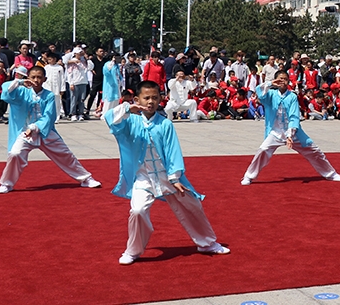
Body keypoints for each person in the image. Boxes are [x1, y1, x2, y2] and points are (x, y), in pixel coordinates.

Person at [104, 80, 230, 265]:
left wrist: (175, 178)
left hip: (168, 177)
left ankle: (207, 243)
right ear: (137, 99)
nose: (150, 102)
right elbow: (109, 119)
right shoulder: (129, 121)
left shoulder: (165, 124)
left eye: (155, 98)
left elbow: (173, 152)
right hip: (143, 177)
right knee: (137, 210)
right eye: (146, 98)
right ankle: (133, 250)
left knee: (192, 205)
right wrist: (126, 109)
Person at [0, 65, 101, 194]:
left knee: (65, 155)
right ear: (28, 78)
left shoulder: (49, 95)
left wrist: (34, 127)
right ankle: (7, 183)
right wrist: (21, 82)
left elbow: (48, 117)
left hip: (45, 132)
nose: (36, 80)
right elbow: (6, 92)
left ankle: (86, 178)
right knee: (15, 154)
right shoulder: (22, 92)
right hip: (25, 133)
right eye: (33, 77)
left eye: (39, 77)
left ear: (44, 79)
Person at [240, 70, 340, 185]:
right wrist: (270, 83)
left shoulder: (292, 96)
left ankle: (331, 174)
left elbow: (294, 116)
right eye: (280, 79)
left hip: (293, 132)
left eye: (285, 79)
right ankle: (249, 176)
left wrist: (290, 135)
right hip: (275, 132)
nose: (282, 81)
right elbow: (259, 92)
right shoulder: (270, 95)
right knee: (263, 150)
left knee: (314, 150)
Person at [66, 47, 93, 121]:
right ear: (75, 54)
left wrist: (87, 59)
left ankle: (81, 114)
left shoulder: (84, 61)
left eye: (81, 53)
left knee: (82, 99)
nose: (80, 55)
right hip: (75, 83)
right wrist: (71, 83)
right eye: (79, 53)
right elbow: (69, 73)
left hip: (83, 82)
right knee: (74, 99)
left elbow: (90, 67)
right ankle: (73, 114)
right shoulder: (72, 62)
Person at [43, 52, 66, 120]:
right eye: (48, 59)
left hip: (56, 88)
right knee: (47, 102)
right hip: (47, 87)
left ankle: (56, 117)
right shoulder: (46, 67)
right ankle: (47, 116)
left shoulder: (59, 68)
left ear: (55, 59)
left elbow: (62, 78)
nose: (49, 61)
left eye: (50, 59)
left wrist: (62, 89)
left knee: (57, 103)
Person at [98, 52, 123, 116]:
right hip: (110, 85)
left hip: (116, 85)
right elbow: (106, 71)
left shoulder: (117, 65)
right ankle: (105, 115)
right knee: (109, 101)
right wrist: (112, 62)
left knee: (116, 101)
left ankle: (113, 115)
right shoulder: (108, 64)